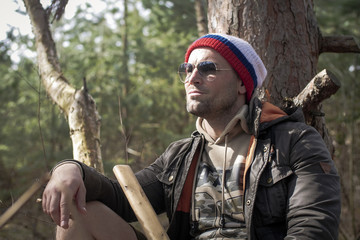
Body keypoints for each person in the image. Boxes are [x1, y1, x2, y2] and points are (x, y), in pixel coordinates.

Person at [42, 33, 341, 240]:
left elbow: (312, 228)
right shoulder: (180, 155)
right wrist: (70, 170)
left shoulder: (294, 141)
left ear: (241, 83)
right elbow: (123, 200)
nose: (192, 77)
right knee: (82, 212)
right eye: (187, 68)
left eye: (207, 68)